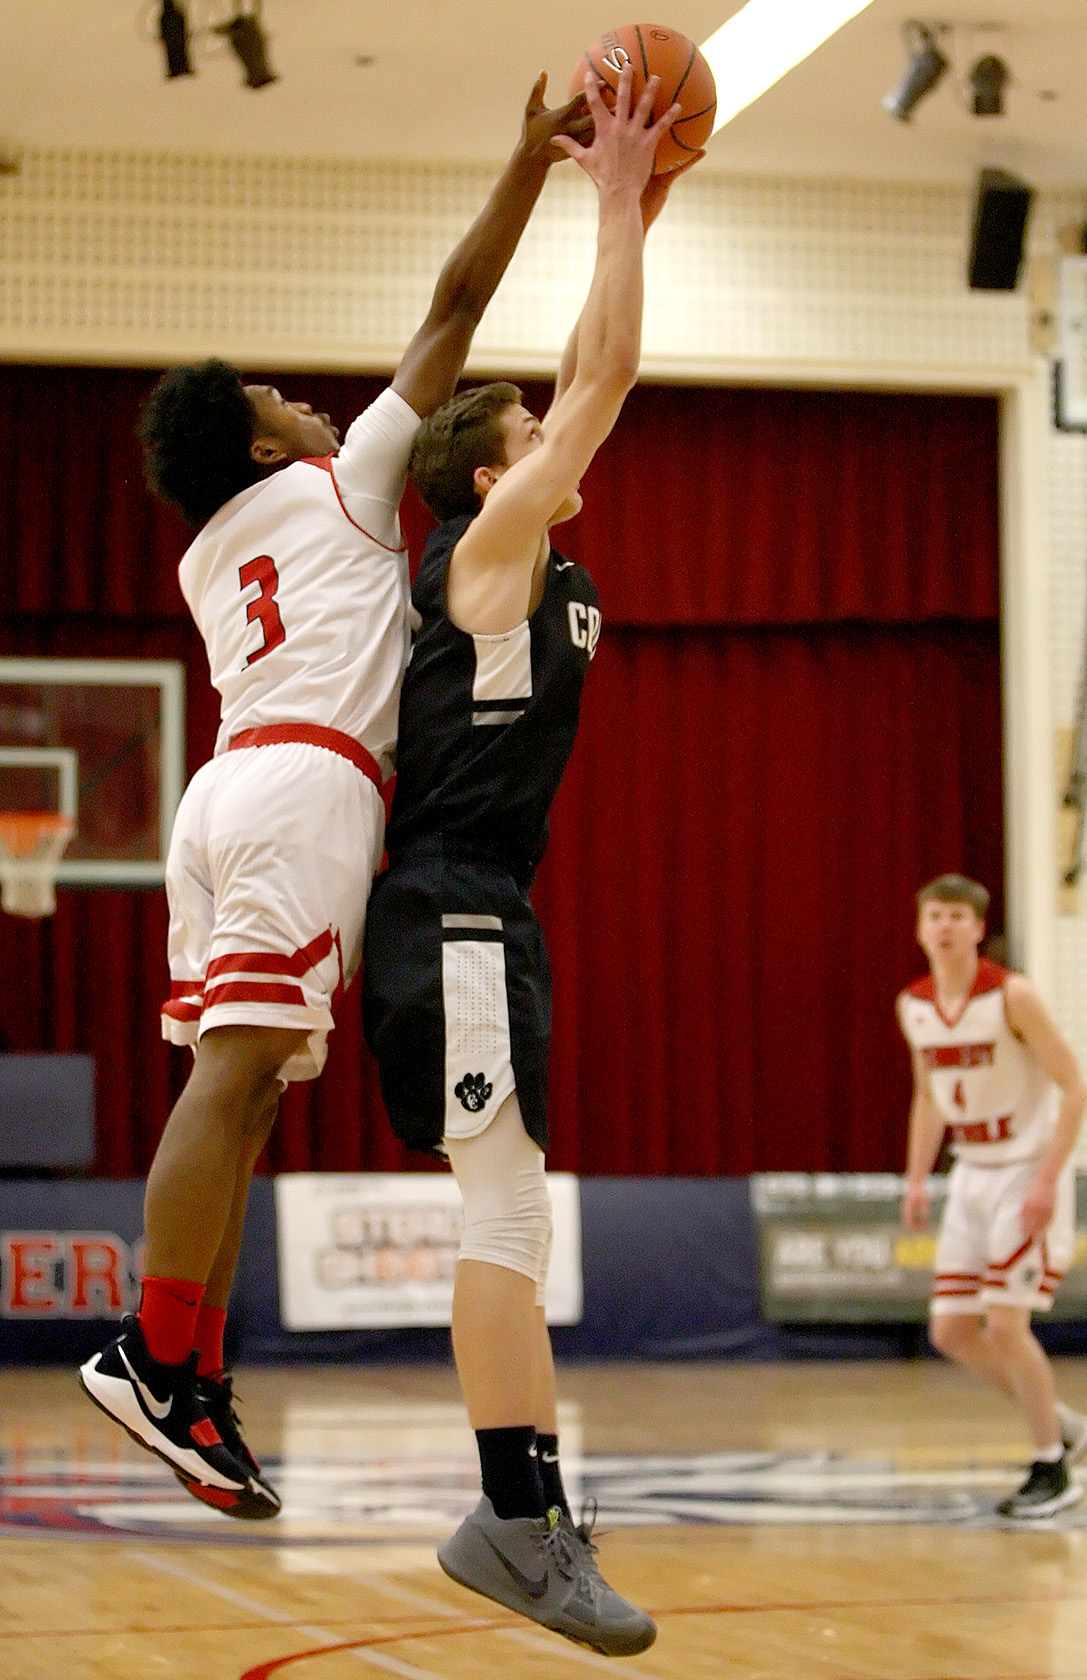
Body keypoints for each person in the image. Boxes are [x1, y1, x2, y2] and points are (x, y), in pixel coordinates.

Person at [78, 75, 590, 1521]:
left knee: (239, 1102)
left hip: (227, 785)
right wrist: (521, 163)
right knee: (231, 1083)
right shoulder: (349, 481)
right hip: (306, 787)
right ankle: (152, 1350)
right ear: (262, 448)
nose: (314, 406)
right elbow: (453, 300)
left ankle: (192, 1377)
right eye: (280, 404)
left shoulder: (202, 560)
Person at [362, 65, 691, 1656]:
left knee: (508, 1216)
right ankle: (517, 1521)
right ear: (492, 474)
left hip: (481, 913)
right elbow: (607, 373)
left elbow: (584, 355)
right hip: (450, 906)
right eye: (530, 428)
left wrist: (639, 208)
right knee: (503, 1223)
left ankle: (524, 1513)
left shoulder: (512, 537)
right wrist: (614, 197)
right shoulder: (485, 555)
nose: (556, 422)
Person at [898, 873, 1087, 1519]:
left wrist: (1046, 1178)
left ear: (978, 928)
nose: (944, 926)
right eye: (934, 916)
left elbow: (1074, 1086)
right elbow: (927, 1098)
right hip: (970, 1172)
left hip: (1026, 1167)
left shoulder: (1011, 996)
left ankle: (1050, 1469)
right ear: (920, 927)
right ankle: (1060, 1424)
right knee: (950, 1329)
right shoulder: (914, 1004)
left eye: (957, 916)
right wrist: (917, 1177)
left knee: (1005, 1323)